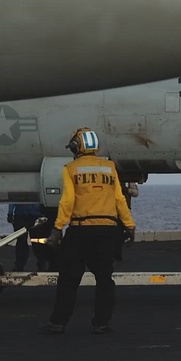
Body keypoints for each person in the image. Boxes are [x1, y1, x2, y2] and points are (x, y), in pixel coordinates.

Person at [44, 128, 134, 335]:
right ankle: (101, 323)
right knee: (104, 278)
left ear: (76, 147)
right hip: (107, 231)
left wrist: (58, 228)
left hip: (80, 231)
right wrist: (129, 225)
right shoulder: (110, 168)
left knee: (68, 279)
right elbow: (120, 200)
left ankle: (58, 322)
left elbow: (67, 201)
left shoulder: (71, 169)